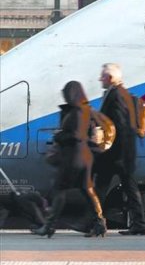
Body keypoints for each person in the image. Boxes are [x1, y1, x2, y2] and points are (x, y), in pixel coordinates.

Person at [33, 81, 107, 238]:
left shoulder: (77, 112)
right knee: (87, 190)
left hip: (74, 156)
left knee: (60, 190)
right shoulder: (88, 110)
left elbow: (76, 135)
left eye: (66, 93)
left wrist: (58, 135)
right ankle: (99, 223)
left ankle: (49, 226)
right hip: (86, 156)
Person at [94, 63, 145, 236]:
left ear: (110, 78)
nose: (99, 79)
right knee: (130, 189)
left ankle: (95, 223)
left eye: (102, 76)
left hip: (117, 154)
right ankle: (139, 224)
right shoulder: (123, 93)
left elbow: (120, 126)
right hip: (124, 153)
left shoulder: (116, 95)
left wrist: (111, 151)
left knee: (100, 188)